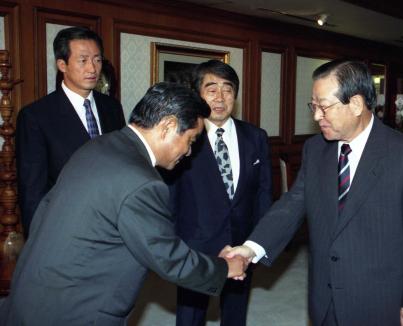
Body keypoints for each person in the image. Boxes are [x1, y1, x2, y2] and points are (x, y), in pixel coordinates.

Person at [0, 83, 247, 325]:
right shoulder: (141, 182)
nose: (189, 151)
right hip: (74, 309)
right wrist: (225, 267)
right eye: (191, 140)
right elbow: (168, 258)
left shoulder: (99, 145)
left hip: (33, 294)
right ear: (168, 126)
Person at [227, 60, 403, 326]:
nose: (316, 116)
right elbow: (292, 204)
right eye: (313, 106)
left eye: (324, 106)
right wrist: (250, 249)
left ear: (356, 104)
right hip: (324, 296)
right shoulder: (316, 149)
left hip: (379, 300)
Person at [168, 60, 273, 326]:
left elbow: (263, 193)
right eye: (211, 88)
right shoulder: (185, 136)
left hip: (241, 244)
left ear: (235, 95)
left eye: (227, 89)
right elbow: (172, 195)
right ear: (198, 94)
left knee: (235, 314)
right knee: (191, 316)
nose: (220, 97)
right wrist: (174, 245)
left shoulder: (255, 136)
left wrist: (257, 241)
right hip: (196, 247)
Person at [16, 26, 125, 237]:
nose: (93, 68)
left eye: (97, 59)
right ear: (62, 64)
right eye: (83, 60)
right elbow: (32, 191)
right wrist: (38, 241)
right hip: (65, 228)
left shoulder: (112, 107)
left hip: (113, 225)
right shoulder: (36, 116)